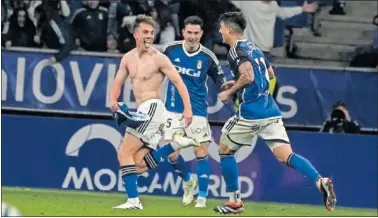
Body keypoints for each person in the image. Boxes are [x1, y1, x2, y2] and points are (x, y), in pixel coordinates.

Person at [213, 12, 337, 214]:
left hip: (250, 113)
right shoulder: (254, 47)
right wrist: (238, 82)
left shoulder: (235, 51)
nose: (219, 31)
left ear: (229, 29)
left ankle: (235, 201)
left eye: (221, 27)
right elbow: (270, 74)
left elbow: (249, 76)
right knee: (286, 156)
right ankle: (319, 180)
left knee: (225, 150)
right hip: (270, 112)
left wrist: (230, 91)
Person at [133, 15, 226, 209]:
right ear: (183, 32)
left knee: (201, 152)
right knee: (172, 154)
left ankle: (201, 197)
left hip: (198, 111)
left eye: (196, 33)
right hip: (173, 110)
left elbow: (220, 82)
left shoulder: (208, 57)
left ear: (201, 34)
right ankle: (187, 181)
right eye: (189, 32)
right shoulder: (170, 49)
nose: (192, 36)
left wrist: (228, 96)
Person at [110, 14, 197, 210]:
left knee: (124, 152)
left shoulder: (159, 59)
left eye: (152, 32)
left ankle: (133, 201)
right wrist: (113, 101)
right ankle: (171, 146)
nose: (149, 36)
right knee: (137, 164)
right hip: (143, 112)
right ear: (136, 34)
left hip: (152, 108)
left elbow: (178, 82)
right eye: (145, 32)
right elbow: (118, 81)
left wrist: (188, 109)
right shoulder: (128, 58)